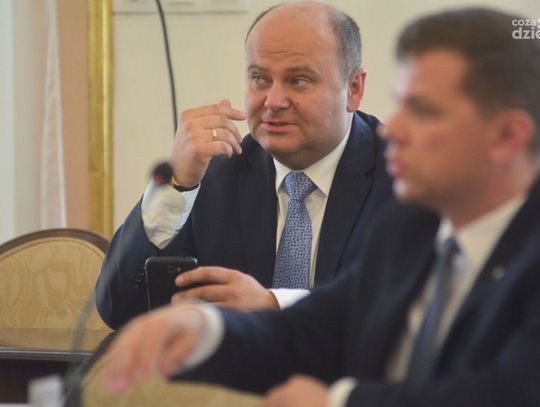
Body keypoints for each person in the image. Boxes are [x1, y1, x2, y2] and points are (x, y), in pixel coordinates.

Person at [103, 6, 540, 407]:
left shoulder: (403, 191)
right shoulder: (416, 225)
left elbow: (512, 391)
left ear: (507, 137)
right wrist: (205, 330)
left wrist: (338, 403)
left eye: (422, 111)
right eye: (259, 79)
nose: (394, 130)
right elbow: (314, 330)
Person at [96, 1, 393, 329]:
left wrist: (275, 304)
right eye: (260, 79)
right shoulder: (217, 171)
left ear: (354, 89)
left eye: (298, 81)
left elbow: (402, 309)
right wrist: (176, 186)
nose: (273, 101)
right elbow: (119, 308)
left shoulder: (403, 174)